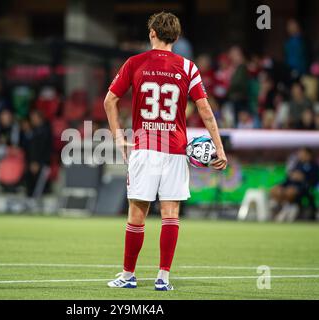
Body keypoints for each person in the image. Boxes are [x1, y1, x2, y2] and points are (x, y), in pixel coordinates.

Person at [104, 12, 227, 291]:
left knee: (137, 214)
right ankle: (163, 278)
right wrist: (219, 147)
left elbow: (109, 100)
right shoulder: (188, 67)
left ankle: (127, 275)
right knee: (170, 213)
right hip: (175, 149)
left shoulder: (134, 62)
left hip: (145, 147)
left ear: (152, 34)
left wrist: (118, 138)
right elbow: (205, 110)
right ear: (177, 37)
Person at [270, 148, 319, 222]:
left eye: (302, 153)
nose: (299, 155)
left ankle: (288, 208)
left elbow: (316, 180)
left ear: (308, 155)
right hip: (290, 184)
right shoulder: (297, 164)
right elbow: (288, 178)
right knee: (275, 189)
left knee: (290, 191)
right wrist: (280, 184)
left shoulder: (314, 166)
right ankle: (282, 207)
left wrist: (303, 178)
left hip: (304, 187)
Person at [25, 110, 52, 198]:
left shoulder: (46, 131)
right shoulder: (33, 131)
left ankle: (37, 199)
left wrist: (37, 162)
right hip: (33, 162)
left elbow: (43, 149)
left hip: (43, 163)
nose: (32, 120)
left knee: (39, 183)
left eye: (34, 118)